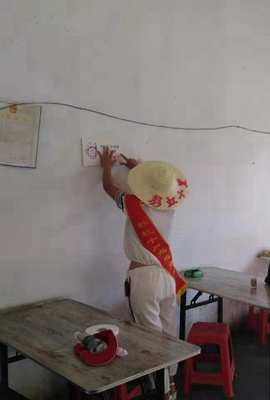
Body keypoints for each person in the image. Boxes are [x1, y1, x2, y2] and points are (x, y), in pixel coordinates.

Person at [98, 147, 188, 400]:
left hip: (143, 280)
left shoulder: (133, 204)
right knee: (168, 334)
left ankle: (161, 390)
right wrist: (137, 169)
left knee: (150, 338)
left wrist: (107, 166)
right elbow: (153, 193)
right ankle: (170, 383)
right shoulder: (170, 208)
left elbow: (108, 187)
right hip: (167, 275)